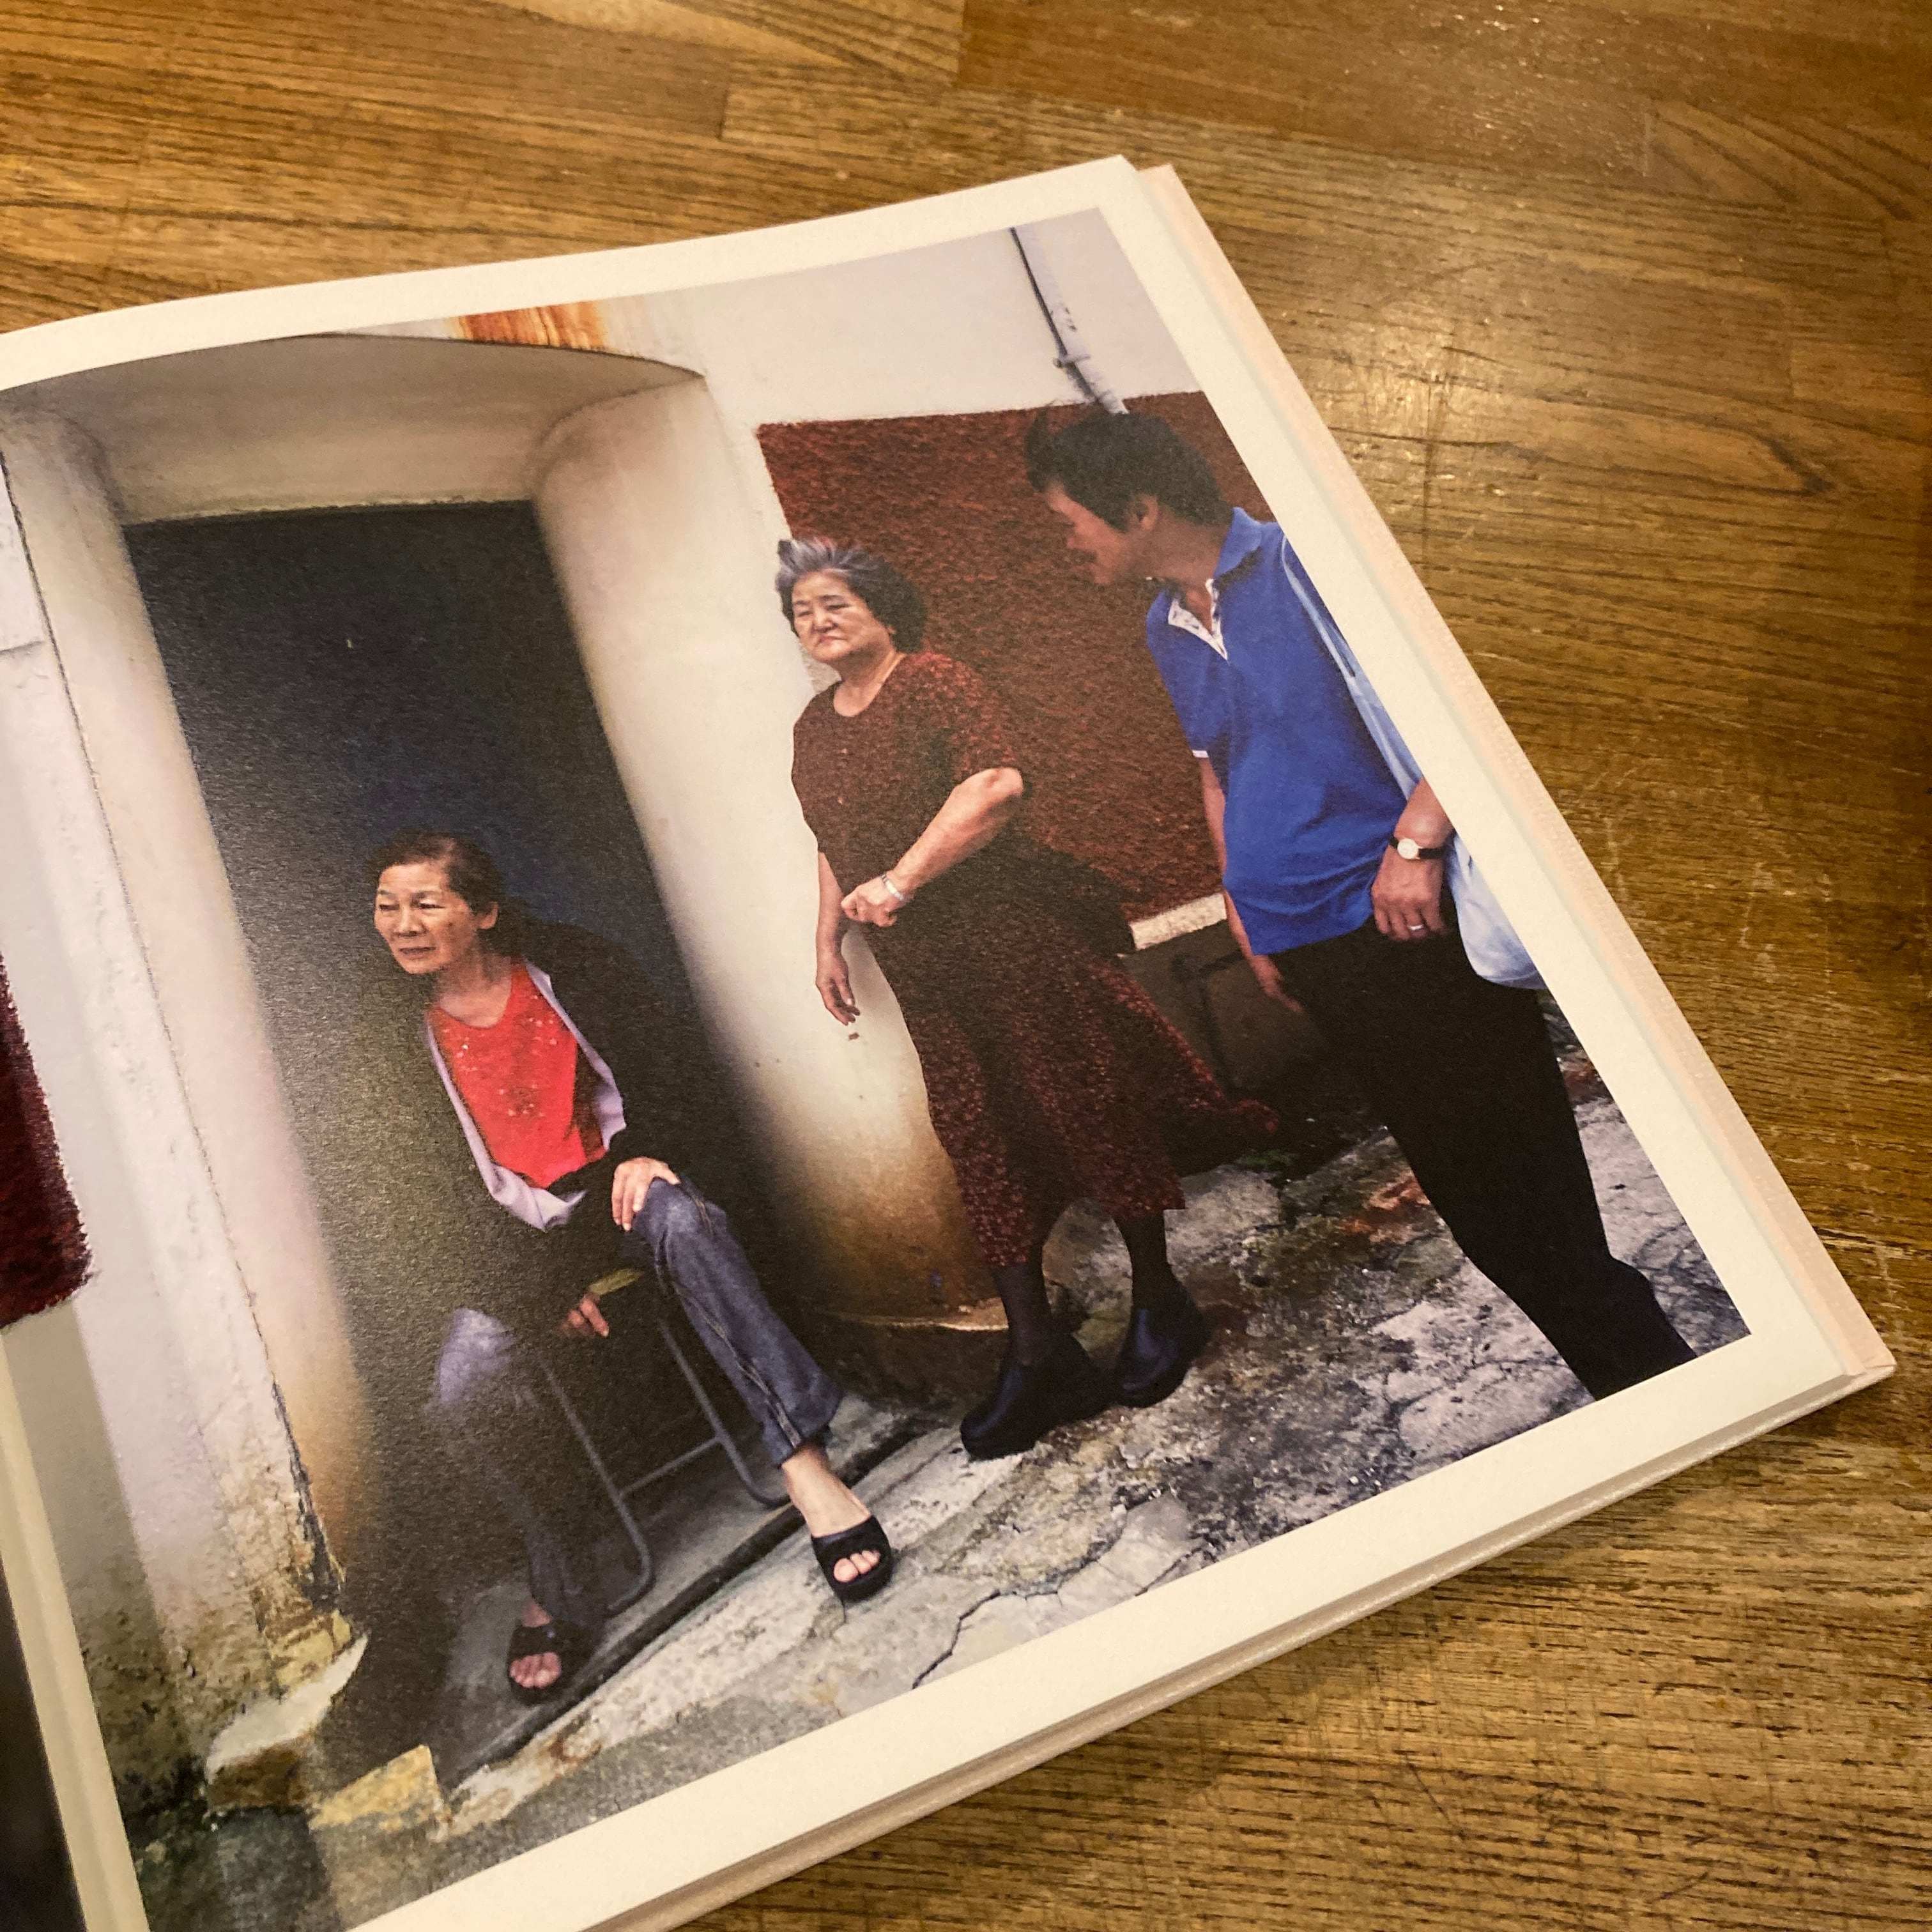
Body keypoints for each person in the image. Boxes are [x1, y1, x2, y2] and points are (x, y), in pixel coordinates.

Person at [1023, 410, 1697, 1402]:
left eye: (1069, 521)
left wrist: (1416, 842)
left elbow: (1464, 695)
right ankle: (1633, 1378)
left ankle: (1658, 1382)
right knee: (1479, 1209)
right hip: (1312, 946)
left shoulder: (1309, 566)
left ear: (1139, 507)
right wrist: (1243, 908)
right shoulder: (1164, 626)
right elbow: (1217, 772)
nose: (1066, 543)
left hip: (1407, 924)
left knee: (1526, 1190)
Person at [348, 830, 892, 1708]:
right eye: (387, 906)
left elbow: (677, 1073)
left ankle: (804, 1464)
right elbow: (412, 1200)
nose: (402, 924)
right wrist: (536, 1288)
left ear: (484, 912)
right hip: (515, 1247)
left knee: (686, 1223)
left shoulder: (579, 967)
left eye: (425, 903)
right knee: (463, 1383)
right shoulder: (384, 1040)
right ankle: (557, 1571)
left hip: (615, 1195)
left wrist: (648, 1147)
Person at [781, 538, 1275, 1459]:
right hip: (926, 969)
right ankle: (1040, 1352)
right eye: (802, 611)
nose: (818, 620)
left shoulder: (936, 682)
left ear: (884, 606)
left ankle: (1160, 1299)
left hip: (1012, 935)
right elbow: (829, 838)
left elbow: (995, 786)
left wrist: (901, 880)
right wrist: (826, 940)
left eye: (835, 601)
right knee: (978, 1134)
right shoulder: (815, 728)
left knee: (1085, 1102)